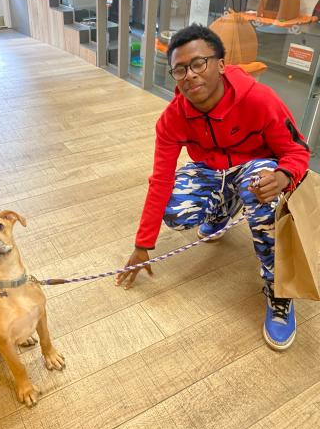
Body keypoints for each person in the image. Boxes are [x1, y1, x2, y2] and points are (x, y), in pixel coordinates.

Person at [115, 23, 310, 351]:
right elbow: (160, 180)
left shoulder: (259, 100)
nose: (189, 75)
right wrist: (142, 244)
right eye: (179, 69)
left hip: (254, 169)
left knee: (260, 192)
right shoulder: (172, 118)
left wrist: (283, 177)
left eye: (198, 64)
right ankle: (221, 213)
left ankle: (279, 292)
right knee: (176, 211)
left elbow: (297, 151)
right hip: (210, 169)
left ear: (220, 64)